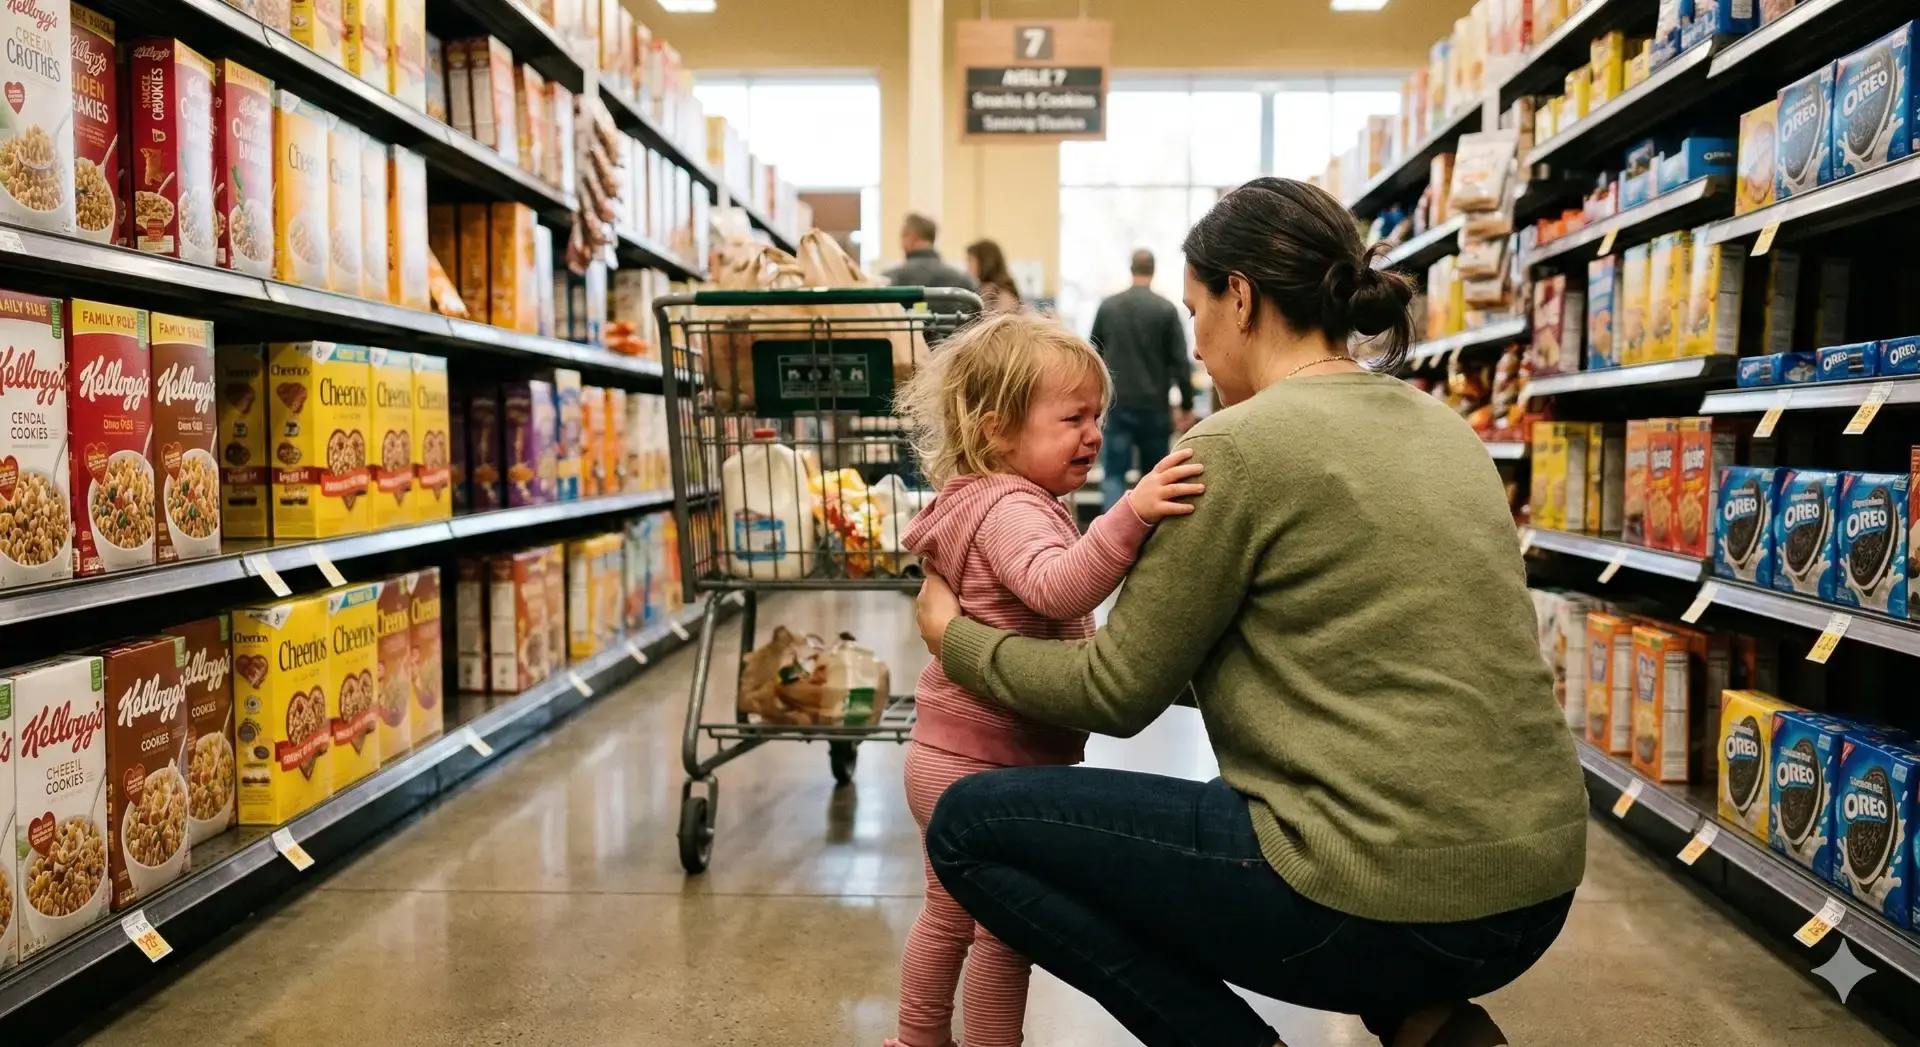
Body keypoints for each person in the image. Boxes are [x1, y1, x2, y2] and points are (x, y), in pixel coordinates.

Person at [911, 177, 1588, 1047]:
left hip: (1376, 892)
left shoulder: (1235, 445)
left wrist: (954, 639)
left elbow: (1115, 693)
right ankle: (1431, 1023)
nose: (1195, 347)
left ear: (1241, 297)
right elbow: (1341, 655)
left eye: (1195, 313)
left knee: (973, 825)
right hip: (1531, 886)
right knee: (1337, 823)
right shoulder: (1442, 426)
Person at [887, 313, 1206, 1047]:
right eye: (1072, 418)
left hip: (945, 750)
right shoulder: (1011, 508)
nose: (1093, 433)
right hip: (989, 761)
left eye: (1097, 414)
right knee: (1005, 929)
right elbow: (1057, 587)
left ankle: (916, 1037)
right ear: (999, 430)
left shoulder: (973, 497)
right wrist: (1131, 515)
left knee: (946, 913)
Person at [1088, 249, 1197, 510]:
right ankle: (1153, 540)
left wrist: (1092, 403)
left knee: (1114, 474)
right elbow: (1180, 361)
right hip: (1155, 406)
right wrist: (1187, 405)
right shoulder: (1166, 309)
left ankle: (1110, 539)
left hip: (1118, 403)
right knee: (1156, 478)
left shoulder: (1109, 307)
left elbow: (1092, 354)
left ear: (1131, 269)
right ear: (1153, 270)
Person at [886, 212, 977, 292]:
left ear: (913, 238)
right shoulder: (966, 282)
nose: (901, 244)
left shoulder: (889, 281)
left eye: (903, 236)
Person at [965, 239, 1023, 314]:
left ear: (984, 262)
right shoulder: (984, 290)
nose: (967, 266)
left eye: (970, 260)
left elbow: (1004, 323)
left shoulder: (1002, 293)